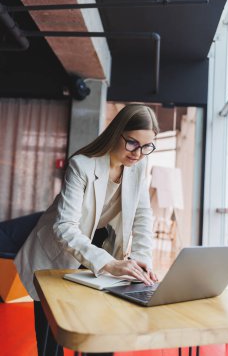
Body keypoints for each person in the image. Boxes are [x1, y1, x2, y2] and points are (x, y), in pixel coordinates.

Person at [14, 103, 159, 356]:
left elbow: (143, 218)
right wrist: (109, 264)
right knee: (52, 342)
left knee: (102, 334)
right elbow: (64, 227)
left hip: (101, 247)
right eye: (133, 143)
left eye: (147, 147)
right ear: (117, 133)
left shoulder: (137, 169)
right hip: (57, 254)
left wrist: (141, 261)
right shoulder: (81, 165)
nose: (138, 154)